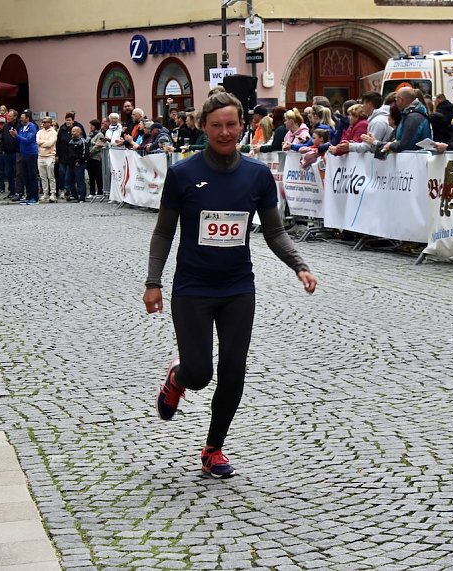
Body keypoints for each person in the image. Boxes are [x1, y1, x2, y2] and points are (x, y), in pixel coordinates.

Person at [143, 92, 318, 479]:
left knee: (234, 370)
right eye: (217, 125)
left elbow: (274, 232)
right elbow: (163, 233)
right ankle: (178, 377)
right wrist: (153, 282)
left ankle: (213, 449)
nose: (225, 132)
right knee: (200, 372)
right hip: (192, 288)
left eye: (232, 124)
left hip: (238, 288)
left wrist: (299, 266)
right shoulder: (183, 173)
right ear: (204, 127)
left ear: (242, 126)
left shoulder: (256, 175)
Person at [381, 87, 432, 154]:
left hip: (413, 160)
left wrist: (390, 145)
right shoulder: (411, 115)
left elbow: (405, 145)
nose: (396, 101)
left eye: (396, 98)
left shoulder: (413, 117)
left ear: (401, 99)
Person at [14, 111, 39, 204]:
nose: (21, 119)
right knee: (25, 176)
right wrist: (16, 136)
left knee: (32, 176)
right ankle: (28, 196)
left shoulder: (32, 127)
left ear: (27, 118)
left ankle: (35, 197)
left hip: (31, 154)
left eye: (22, 117)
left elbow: (28, 140)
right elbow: (21, 139)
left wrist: (16, 136)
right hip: (23, 154)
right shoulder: (22, 128)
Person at [36, 116, 58, 202]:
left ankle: (53, 193)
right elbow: (37, 141)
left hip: (50, 156)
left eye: (46, 122)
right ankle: (45, 193)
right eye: (43, 122)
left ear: (50, 123)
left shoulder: (53, 132)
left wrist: (42, 143)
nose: (44, 123)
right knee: (43, 177)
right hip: (40, 156)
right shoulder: (39, 132)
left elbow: (50, 143)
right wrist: (44, 142)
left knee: (51, 176)